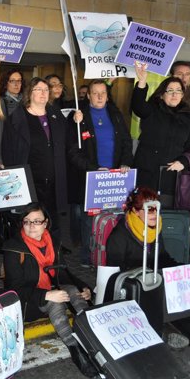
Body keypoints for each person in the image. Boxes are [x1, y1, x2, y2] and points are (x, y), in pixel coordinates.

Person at [105, 187, 190, 349]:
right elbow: (114, 275)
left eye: (157, 208)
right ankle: (163, 330)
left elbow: (164, 259)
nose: (155, 214)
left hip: (156, 283)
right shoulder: (119, 235)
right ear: (136, 211)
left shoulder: (155, 229)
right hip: (136, 290)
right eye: (150, 209)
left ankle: (169, 327)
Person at [2, 203, 98, 377]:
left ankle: (93, 340)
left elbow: (63, 273)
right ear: (22, 223)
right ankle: (76, 351)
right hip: (25, 303)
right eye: (27, 221)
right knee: (55, 302)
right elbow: (14, 289)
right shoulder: (13, 247)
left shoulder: (52, 242)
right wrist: (45, 294)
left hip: (48, 291)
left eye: (37, 221)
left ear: (45, 223)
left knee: (74, 292)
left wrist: (84, 288)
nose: (31, 226)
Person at [69, 80, 133, 267]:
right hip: (91, 176)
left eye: (102, 93)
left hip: (115, 177)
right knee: (90, 220)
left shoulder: (115, 114)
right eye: (95, 93)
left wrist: (126, 162)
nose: (99, 96)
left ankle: (111, 254)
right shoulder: (78, 117)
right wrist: (92, 168)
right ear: (88, 95)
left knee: (115, 217)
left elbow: (126, 142)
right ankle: (88, 256)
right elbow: (73, 151)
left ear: (107, 95)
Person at [2, 77, 70, 247]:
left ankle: (53, 261)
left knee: (52, 224)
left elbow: (68, 144)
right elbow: (8, 150)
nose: (43, 93)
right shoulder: (17, 118)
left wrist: (77, 121)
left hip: (53, 181)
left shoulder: (56, 115)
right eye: (38, 90)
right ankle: (29, 263)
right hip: (29, 182)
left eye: (46, 90)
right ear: (29, 93)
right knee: (29, 224)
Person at [131, 61, 190, 201]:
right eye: (170, 90)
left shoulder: (188, 117)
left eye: (178, 90)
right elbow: (138, 106)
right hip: (147, 174)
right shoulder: (152, 109)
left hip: (172, 178)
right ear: (161, 94)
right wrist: (142, 82)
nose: (174, 94)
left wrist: (183, 162)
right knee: (144, 214)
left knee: (166, 218)